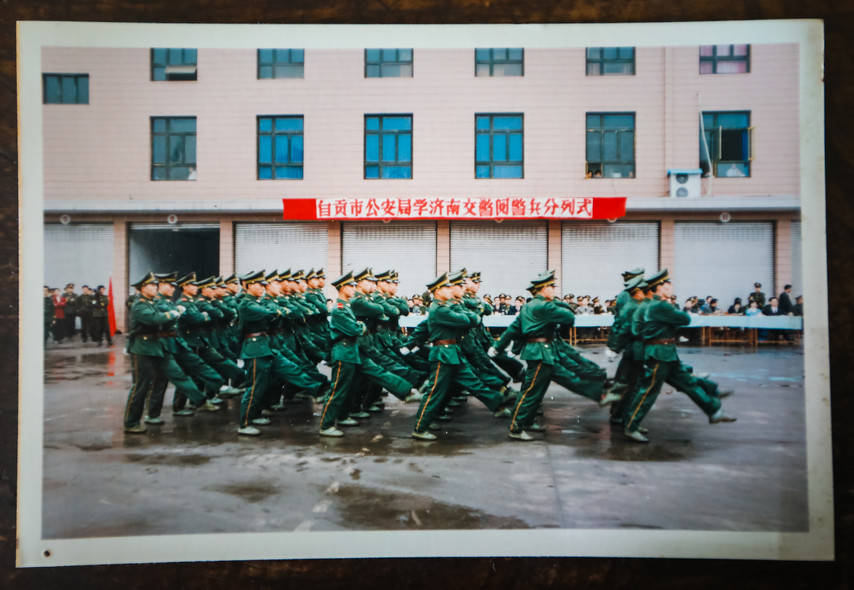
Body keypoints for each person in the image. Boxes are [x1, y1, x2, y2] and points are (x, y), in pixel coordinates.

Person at [621, 269, 736, 443]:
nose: (670, 287)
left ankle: (714, 411)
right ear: (659, 287)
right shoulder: (659, 305)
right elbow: (685, 319)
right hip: (659, 354)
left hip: (666, 353)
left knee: (688, 383)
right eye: (667, 284)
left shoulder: (654, 305)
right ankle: (630, 426)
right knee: (648, 391)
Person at [409, 271, 505, 441]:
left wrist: (470, 316)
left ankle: (498, 404)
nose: (450, 290)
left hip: (452, 352)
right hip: (443, 354)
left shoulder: (444, 307)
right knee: (435, 392)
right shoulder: (439, 310)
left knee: (472, 381)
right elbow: (469, 320)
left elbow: (469, 318)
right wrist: (471, 315)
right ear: (437, 292)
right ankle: (420, 427)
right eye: (446, 288)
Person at [318, 272, 368, 437]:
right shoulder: (339, 309)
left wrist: (358, 326)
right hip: (343, 352)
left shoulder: (345, 306)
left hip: (349, 352)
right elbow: (355, 329)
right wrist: (360, 326)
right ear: (342, 288)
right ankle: (326, 425)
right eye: (351, 286)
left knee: (347, 388)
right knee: (337, 390)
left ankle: (343, 415)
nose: (354, 289)